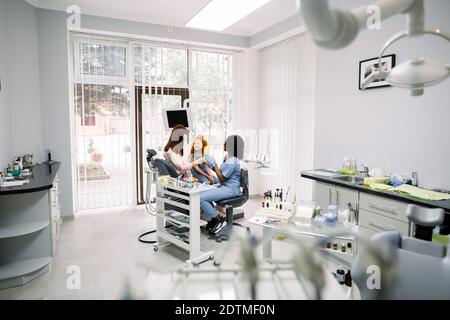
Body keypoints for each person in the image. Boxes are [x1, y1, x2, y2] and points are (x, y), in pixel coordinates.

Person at [200, 135, 244, 235]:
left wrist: (214, 165)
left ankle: (219, 219)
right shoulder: (227, 157)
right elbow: (221, 173)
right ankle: (213, 219)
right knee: (202, 192)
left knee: (200, 198)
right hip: (224, 186)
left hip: (230, 189)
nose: (223, 144)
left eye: (226, 142)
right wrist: (210, 165)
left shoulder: (233, 160)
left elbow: (221, 177)